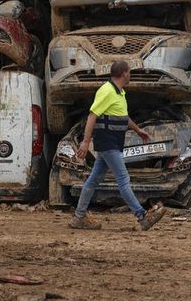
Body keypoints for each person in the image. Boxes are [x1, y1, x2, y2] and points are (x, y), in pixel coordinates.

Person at [69, 60, 167, 231]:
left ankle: (79, 216)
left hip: (112, 143)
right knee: (123, 180)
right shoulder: (106, 90)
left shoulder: (119, 92)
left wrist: (138, 130)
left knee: (93, 180)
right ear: (124, 74)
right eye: (130, 72)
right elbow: (92, 116)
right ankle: (142, 216)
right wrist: (85, 141)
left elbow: (123, 117)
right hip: (108, 143)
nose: (130, 75)